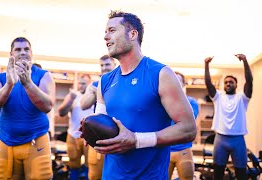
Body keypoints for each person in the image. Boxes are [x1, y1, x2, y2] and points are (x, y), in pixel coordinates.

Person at [79, 10, 196, 179]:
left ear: (132, 34)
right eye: (105, 32)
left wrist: (136, 140)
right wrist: (90, 131)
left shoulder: (161, 74)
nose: (105, 37)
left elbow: (188, 129)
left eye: (112, 31)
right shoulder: (104, 81)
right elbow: (104, 126)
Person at [0, 37, 55, 179]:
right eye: (18, 49)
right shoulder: (1, 78)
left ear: (31, 53)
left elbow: (47, 106)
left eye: (26, 49)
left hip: (36, 140)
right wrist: (9, 85)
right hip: (6, 141)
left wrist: (28, 83)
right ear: (11, 54)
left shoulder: (44, 75)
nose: (23, 52)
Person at [204, 54, 253, 180]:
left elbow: (249, 81)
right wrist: (207, 65)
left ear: (236, 85)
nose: (228, 84)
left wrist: (245, 62)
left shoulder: (242, 98)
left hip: (238, 140)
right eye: (226, 82)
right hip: (221, 139)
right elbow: (208, 83)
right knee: (218, 174)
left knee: (241, 174)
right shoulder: (218, 97)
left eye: (231, 82)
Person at [80, 55, 116, 180]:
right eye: (102, 65)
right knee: (94, 175)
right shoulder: (96, 84)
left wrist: (102, 93)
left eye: (107, 65)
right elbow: (83, 105)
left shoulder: (122, 81)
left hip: (119, 134)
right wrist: (94, 91)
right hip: (99, 134)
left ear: (114, 65)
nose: (104, 68)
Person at [58, 74, 94, 180]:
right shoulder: (73, 96)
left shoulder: (94, 97)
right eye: (80, 83)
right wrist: (70, 100)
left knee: (90, 165)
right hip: (73, 136)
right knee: (73, 166)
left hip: (89, 137)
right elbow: (61, 113)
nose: (81, 86)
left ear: (89, 84)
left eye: (84, 83)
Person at [168, 72, 199, 180]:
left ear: (183, 84)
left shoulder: (191, 102)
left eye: (178, 80)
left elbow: (186, 123)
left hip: (184, 151)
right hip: (165, 151)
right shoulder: (162, 101)